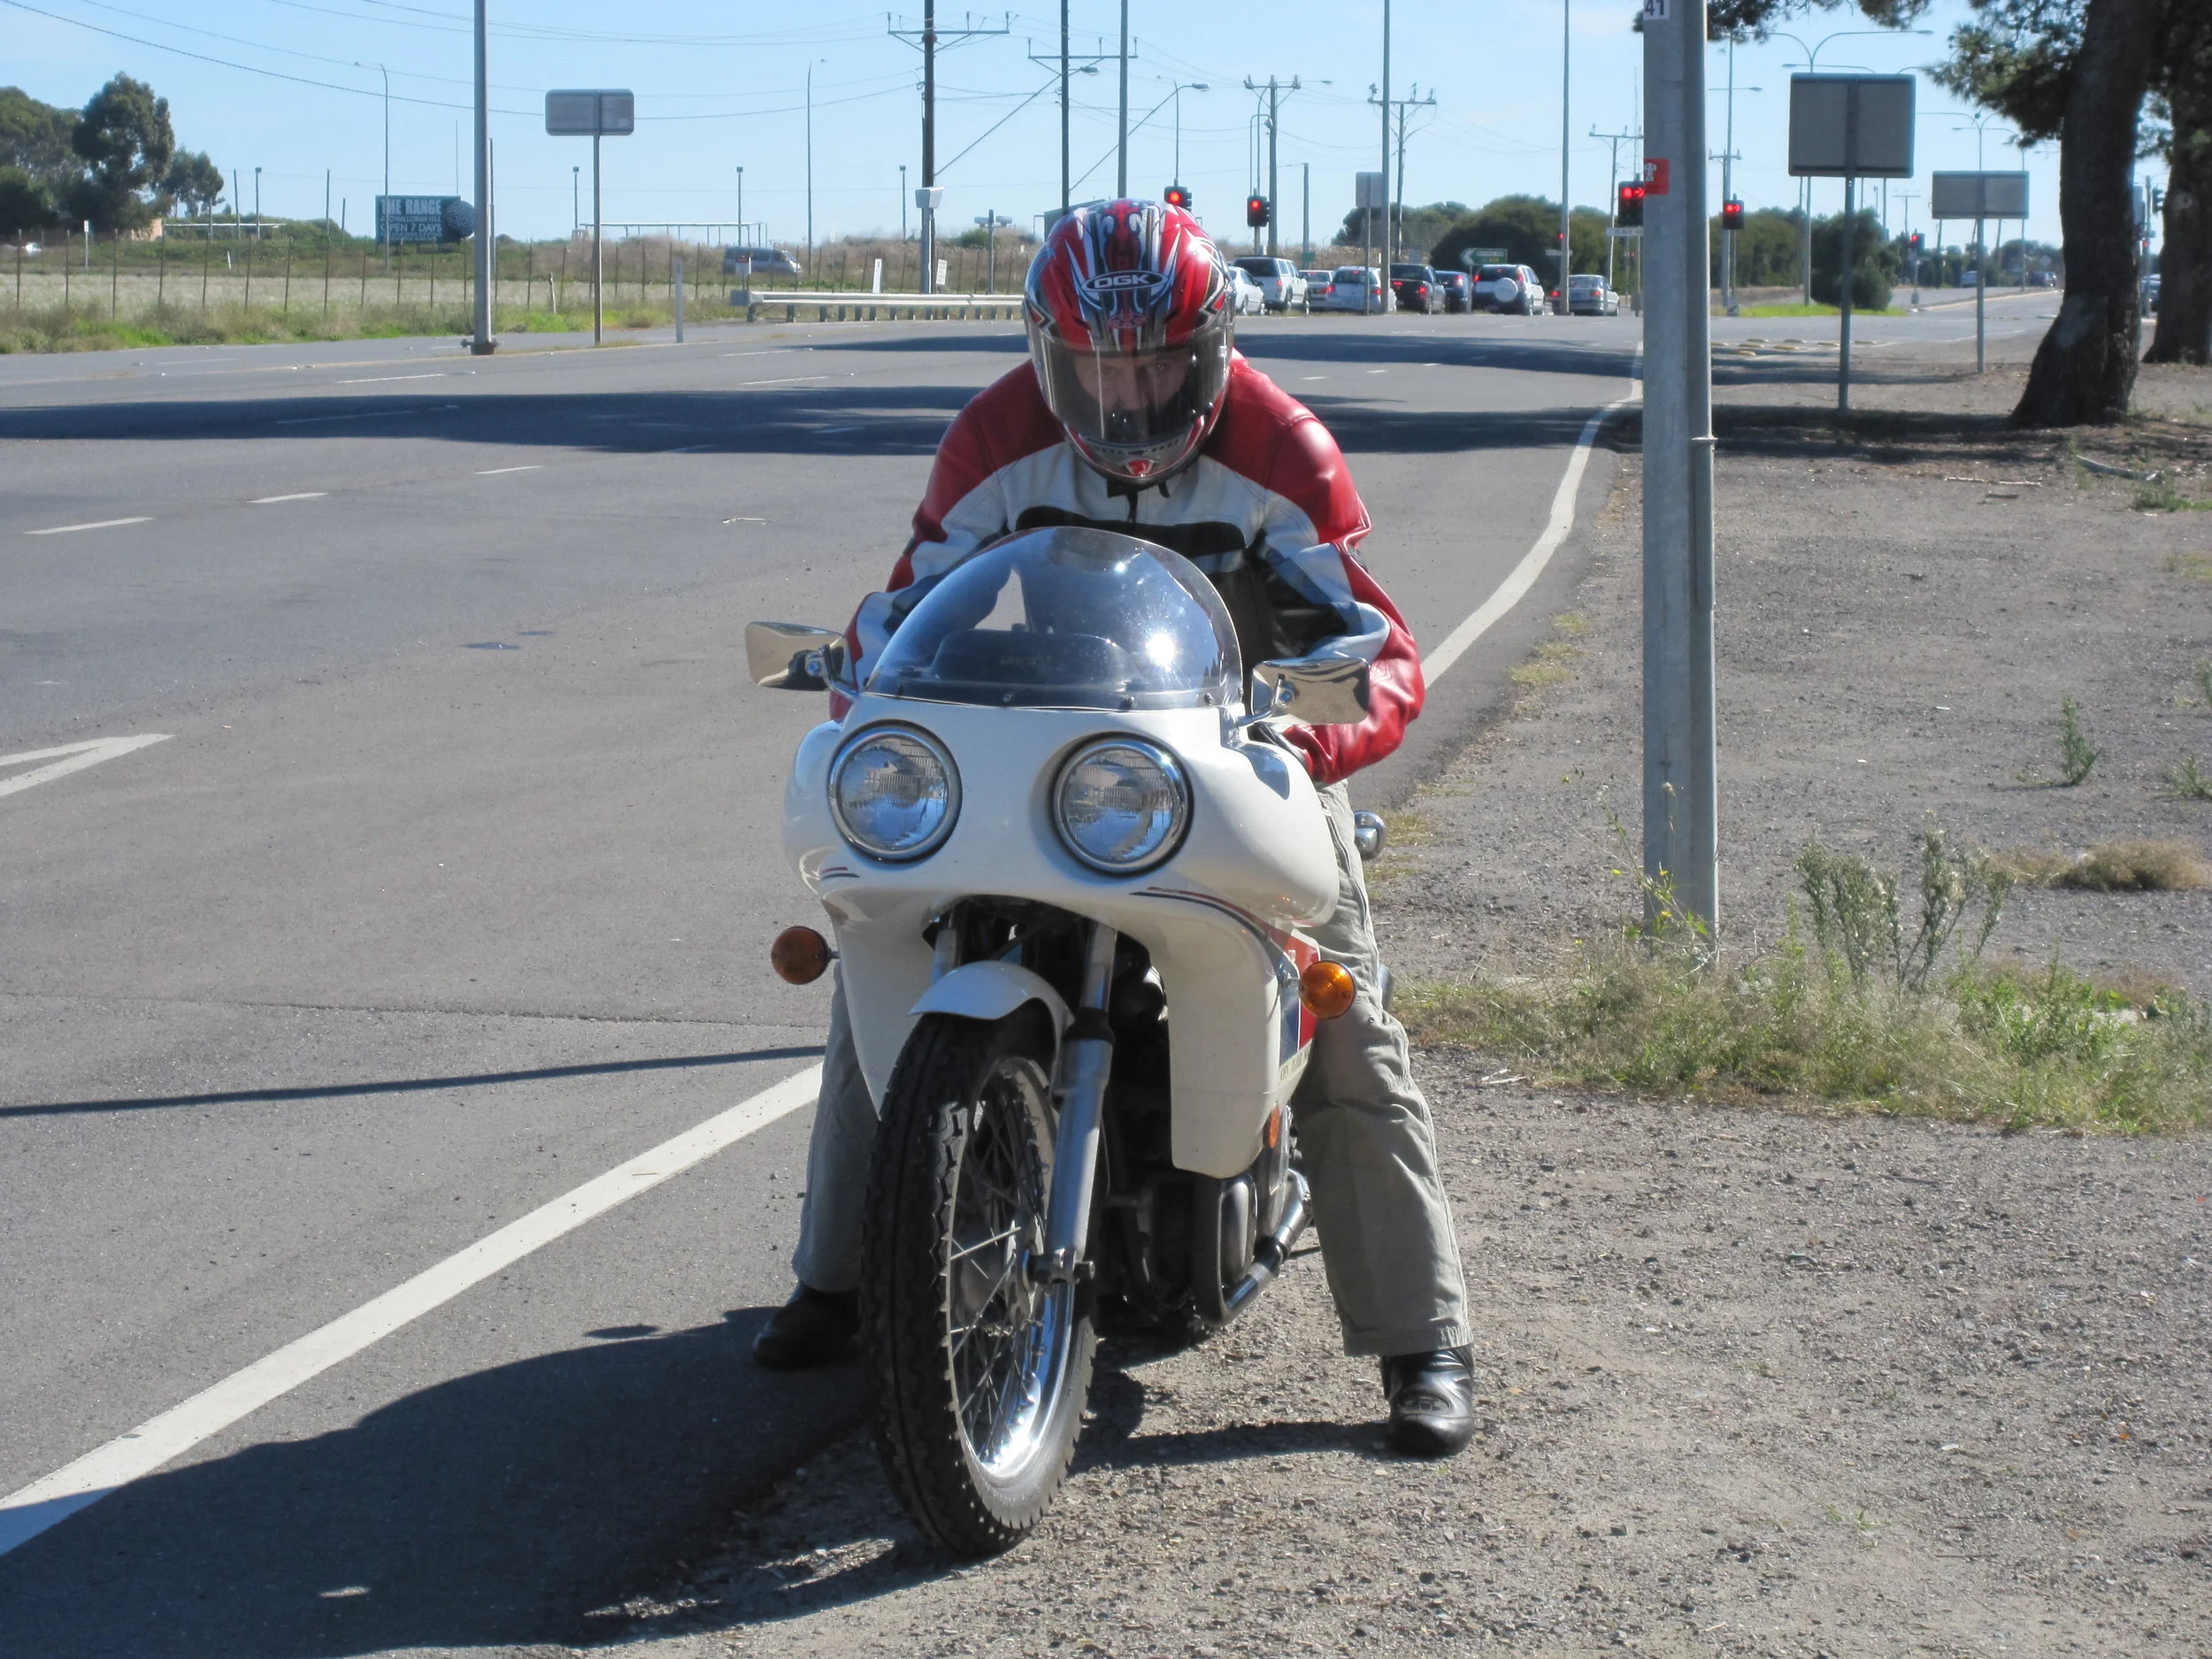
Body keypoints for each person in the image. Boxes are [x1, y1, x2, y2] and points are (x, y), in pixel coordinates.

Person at [752, 199, 1477, 1456]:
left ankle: (1424, 1336)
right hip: (1039, 753)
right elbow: (912, 598)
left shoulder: (1278, 442)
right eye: (1097, 361)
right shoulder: (999, 433)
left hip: (1234, 752)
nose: (1127, 389)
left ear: (1210, 345)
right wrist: (867, 673)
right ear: (1051, 351)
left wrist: (1313, 730)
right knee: (885, 950)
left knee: (1341, 1005)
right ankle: (838, 1276)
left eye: (1154, 359)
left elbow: (1368, 639)